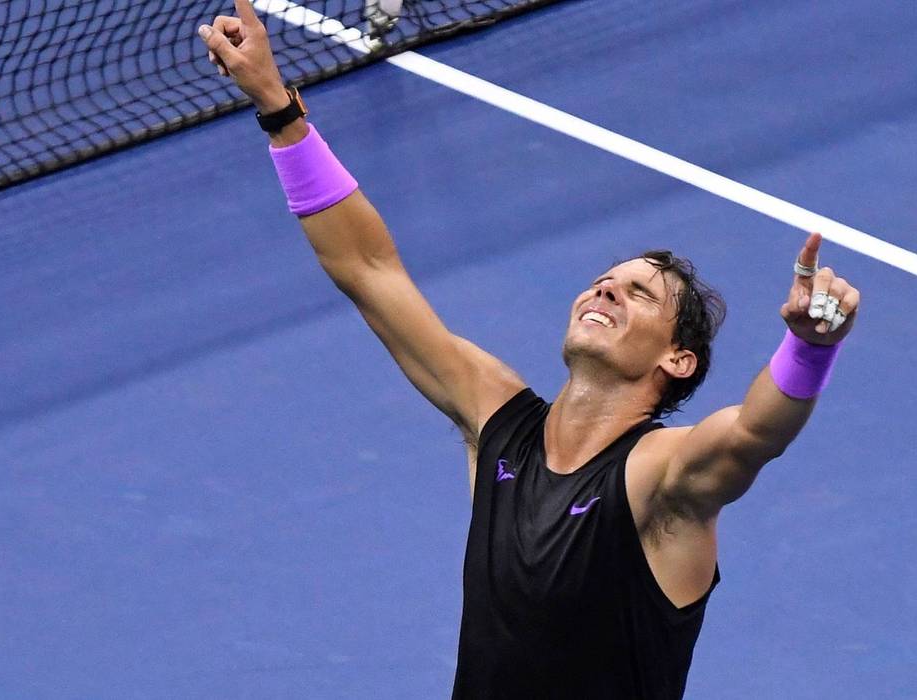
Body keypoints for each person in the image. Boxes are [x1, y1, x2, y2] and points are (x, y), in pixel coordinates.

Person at [198, 3, 860, 697]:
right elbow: (368, 271)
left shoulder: (661, 478)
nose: (605, 289)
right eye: (604, 281)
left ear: (677, 360)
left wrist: (810, 346)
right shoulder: (495, 418)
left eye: (638, 294)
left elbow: (754, 433)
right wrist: (278, 109)